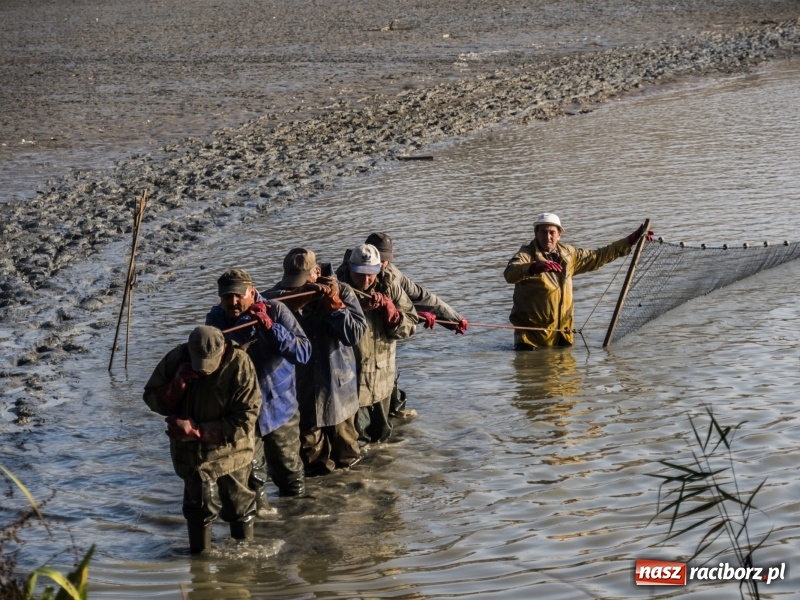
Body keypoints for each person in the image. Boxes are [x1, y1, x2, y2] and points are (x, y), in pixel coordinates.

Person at [143, 325, 261, 553]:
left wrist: (197, 431)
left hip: (232, 452)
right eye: (199, 365)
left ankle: (244, 560)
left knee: (240, 507)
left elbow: (246, 419)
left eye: (209, 365)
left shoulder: (240, 364)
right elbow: (151, 398)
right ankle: (200, 567)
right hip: (192, 456)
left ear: (223, 351)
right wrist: (176, 385)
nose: (204, 371)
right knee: (198, 509)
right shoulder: (177, 358)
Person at [205, 268, 311, 511]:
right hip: (242, 414)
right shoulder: (216, 319)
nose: (232, 302)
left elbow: (304, 353)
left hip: (279, 409)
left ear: (252, 292)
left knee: (289, 472)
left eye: (238, 296)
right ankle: (263, 522)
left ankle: (298, 521)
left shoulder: (277, 310)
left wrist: (271, 328)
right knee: (252, 477)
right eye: (226, 297)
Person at [263, 248, 367, 476]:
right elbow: (263, 307)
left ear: (317, 272)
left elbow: (354, 334)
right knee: (313, 465)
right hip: (303, 393)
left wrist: (334, 306)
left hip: (339, 390)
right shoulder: (278, 297)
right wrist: (303, 297)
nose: (295, 287)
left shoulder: (344, 292)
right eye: (292, 282)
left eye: (302, 281)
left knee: (348, 460)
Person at [504, 213, 653, 350]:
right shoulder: (526, 255)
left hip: (563, 336)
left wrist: (631, 239)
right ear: (536, 233)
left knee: (569, 378)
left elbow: (599, 256)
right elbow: (510, 274)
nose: (547, 237)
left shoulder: (569, 254)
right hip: (530, 341)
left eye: (552, 232)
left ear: (559, 235)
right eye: (543, 232)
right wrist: (534, 267)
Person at [363, 232, 468, 419]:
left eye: (386, 260)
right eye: (380, 260)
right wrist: (416, 316)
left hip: (386, 342)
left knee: (387, 378)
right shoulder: (353, 276)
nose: (382, 265)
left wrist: (453, 319)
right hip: (363, 346)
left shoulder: (392, 274)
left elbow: (421, 296)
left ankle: (394, 412)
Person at [337, 243, 418, 445]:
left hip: (383, 377)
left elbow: (411, 323)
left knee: (382, 438)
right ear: (350, 269)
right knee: (355, 441)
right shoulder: (337, 290)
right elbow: (328, 330)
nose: (366, 280)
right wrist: (359, 310)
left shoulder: (390, 287)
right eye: (360, 274)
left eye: (371, 274)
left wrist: (393, 314)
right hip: (351, 382)